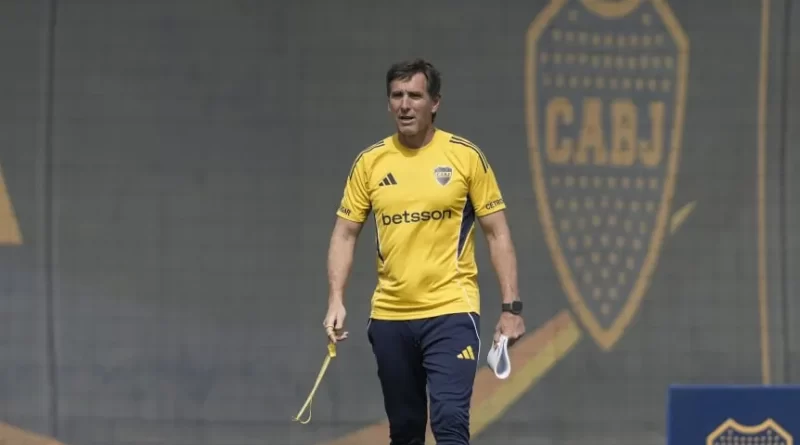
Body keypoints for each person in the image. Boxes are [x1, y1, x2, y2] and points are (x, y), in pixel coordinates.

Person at [323, 58, 526, 445]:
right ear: (388, 103)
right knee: (405, 431)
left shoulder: (465, 157)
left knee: (450, 421)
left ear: (435, 103)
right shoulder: (370, 162)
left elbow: (497, 233)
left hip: (452, 311)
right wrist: (335, 299)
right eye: (396, 96)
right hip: (390, 316)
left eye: (414, 96)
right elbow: (345, 234)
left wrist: (510, 308)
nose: (404, 105)